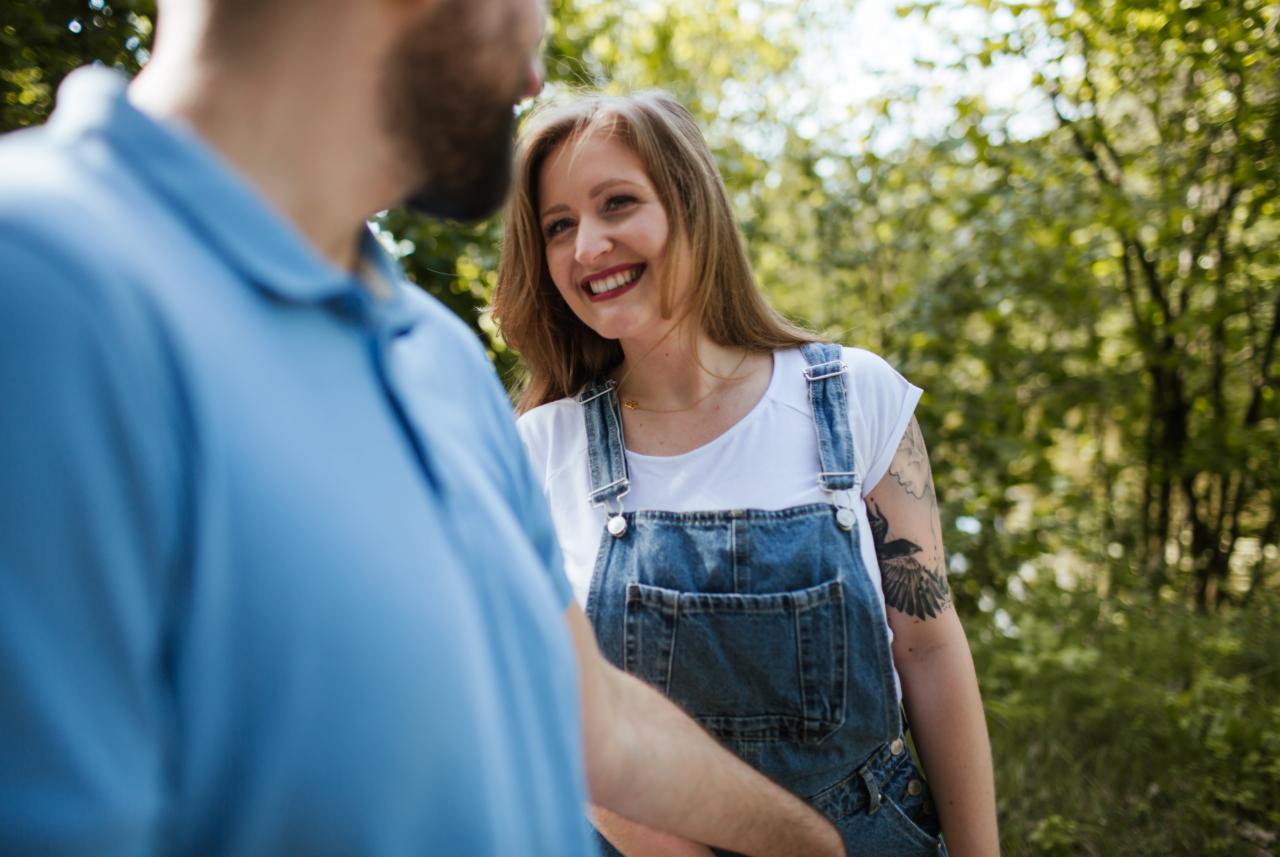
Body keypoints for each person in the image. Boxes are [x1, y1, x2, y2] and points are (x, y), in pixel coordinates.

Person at [0, 2, 848, 855]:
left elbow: (596, 719)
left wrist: (812, 845)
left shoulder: (434, 353)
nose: (533, 75)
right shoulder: (45, 276)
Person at [493, 90, 1001, 856]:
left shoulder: (855, 397)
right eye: (559, 225)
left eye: (617, 203)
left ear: (692, 206)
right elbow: (550, 720)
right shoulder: (537, 449)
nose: (586, 246)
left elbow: (929, 648)